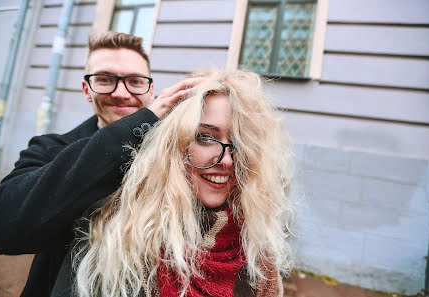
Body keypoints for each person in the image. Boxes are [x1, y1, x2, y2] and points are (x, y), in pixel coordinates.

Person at [0, 31, 203, 297]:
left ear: (150, 90)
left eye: (135, 81)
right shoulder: (50, 149)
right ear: (86, 90)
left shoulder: (176, 153)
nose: (121, 93)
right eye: (105, 80)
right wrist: (138, 123)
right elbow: (4, 228)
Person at [58, 69, 294, 297]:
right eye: (204, 137)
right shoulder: (115, 240)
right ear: (172, 147)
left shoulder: (259, 259)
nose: (226, 160)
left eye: (240, 143)